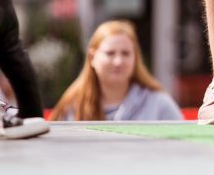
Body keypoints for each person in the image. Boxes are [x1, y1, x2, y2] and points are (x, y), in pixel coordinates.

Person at [50, 20, 183, 121]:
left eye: (125, 53)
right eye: (110, 53)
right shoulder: (72, 105)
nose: (118, 61)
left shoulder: (159, 103)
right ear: (92, 58)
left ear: (135, 58)